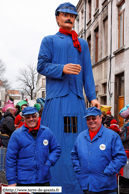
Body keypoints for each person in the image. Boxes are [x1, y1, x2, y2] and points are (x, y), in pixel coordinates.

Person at [37, 2, 100, 193]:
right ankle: (53, 187)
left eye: (72, 15)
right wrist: (61, 69)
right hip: (56, 102)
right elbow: (41, 66)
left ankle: (76, 187)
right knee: (54, 144)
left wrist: (93, 97)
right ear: (57, 18)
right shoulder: (48, 41)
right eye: (65, 15)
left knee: (77, 144)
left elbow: (87, 73)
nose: (69, 18)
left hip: (76, 103)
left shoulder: (82, 44)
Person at [71, 107, 127, 194]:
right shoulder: (80, 137)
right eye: (88, 119)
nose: (91, 121)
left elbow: (121, 157)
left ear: (100, 118)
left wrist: (108, 172)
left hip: (106, 187)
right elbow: (74, 155)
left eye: (94, 118)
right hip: (87, 186)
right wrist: (78, 170)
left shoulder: (112, 136)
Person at [6, 106, 61, 194]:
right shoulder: (16, 135)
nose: (31, 119)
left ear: (38, 116)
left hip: (43, 178)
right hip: (24, 181)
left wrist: (48, 163)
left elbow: (56, 149)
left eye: (33, 116)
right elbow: (10, 159)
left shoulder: (47, 132)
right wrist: (11, 181)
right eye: (28, 117)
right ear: (23, 119)